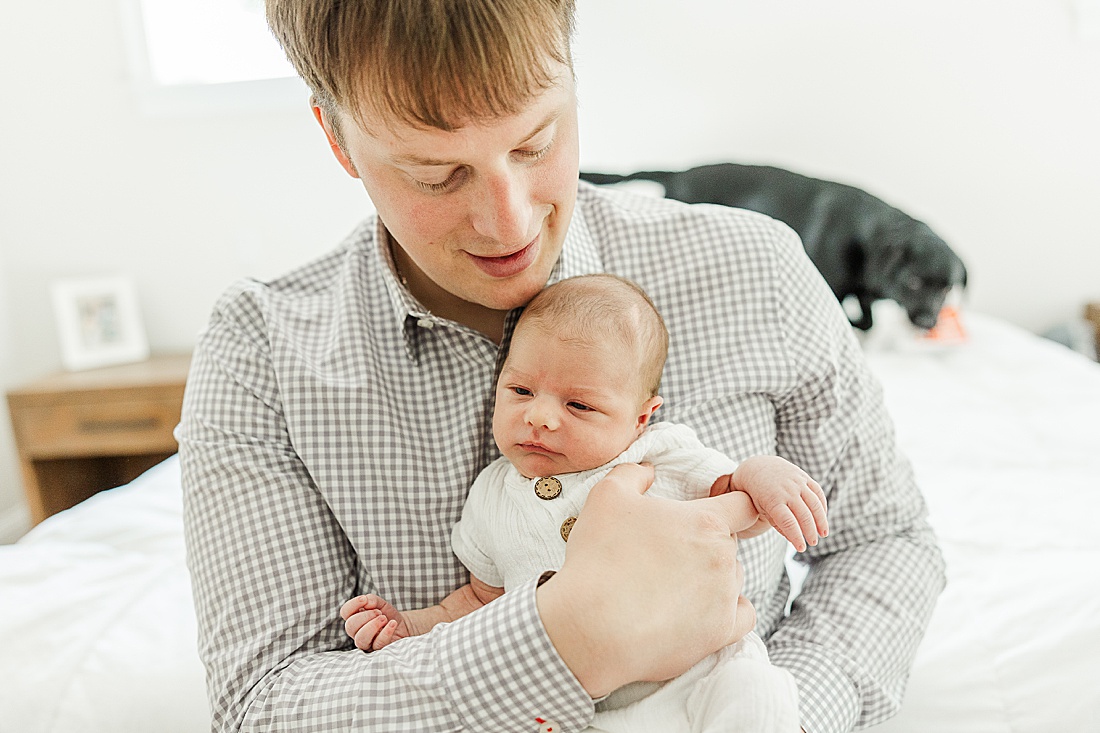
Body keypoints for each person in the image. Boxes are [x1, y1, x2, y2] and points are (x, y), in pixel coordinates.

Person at [176, 1, 946, 732]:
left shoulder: (755, 270)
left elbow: (884, 540)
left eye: (535, 142)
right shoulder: (260, 354)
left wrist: (771, 711)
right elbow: (262, 705)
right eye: (435, 174)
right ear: (337, 139)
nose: (508, 220)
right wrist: (563, 640)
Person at [340, 273, 822, 732]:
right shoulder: (491, 495)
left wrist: (763, 474)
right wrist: (409, 625)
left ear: (640, 418)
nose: (541, 417)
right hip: (585, 704)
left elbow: (732, 501)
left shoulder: (658, 452)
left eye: (580, 406)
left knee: (754, 694)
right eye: (521, 390)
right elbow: (478, 602)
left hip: (704, 677)